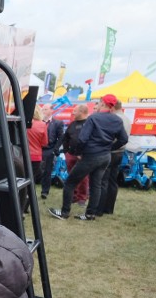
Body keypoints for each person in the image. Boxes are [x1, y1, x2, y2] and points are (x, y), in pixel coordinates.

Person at [49, 93, 127, 221]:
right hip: (105, 156)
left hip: (91, 155)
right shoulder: (117, 120)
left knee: (70, 182)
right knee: (96, 185)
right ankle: (90, 214)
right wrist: (109, 148)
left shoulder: (94, 118)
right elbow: (123, 139)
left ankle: (64, 212)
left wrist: (79, 153)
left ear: (103, 103)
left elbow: (82, 138)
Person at [99, 100, 130, 215]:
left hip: (112, 151)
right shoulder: (126, 118)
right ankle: (109, 208)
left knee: (104, 180)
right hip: (120, 152)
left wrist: (109, 147)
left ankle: (100, 208)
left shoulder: (115, 119)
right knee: (112, 181)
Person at [61, 104, 90, 206]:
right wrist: (65, 151)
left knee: (83, 177)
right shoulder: (72, 124)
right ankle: (74, 196)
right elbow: (66, 138)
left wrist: (83, 153)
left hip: (83, 156)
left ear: (81, 112)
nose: (73, 113)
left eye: (75, 111)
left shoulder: (89, 123)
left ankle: (82, 197)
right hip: (71, 154)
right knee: (71, 177)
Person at [39, 104, 65, 199]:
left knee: (47, 171)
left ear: (51, 110)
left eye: (45, 109)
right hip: (38, 149)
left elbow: (61, 137)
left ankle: (44, 191)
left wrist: (55, 149)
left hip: (49, 149)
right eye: (42, 109)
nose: (43, 111)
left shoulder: (57, 123)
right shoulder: (38, 122)